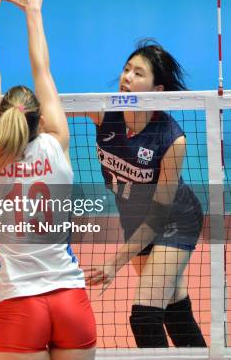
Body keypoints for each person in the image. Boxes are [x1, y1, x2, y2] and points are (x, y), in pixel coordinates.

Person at [0, 0, 96, 360]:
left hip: (20, 305)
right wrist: (33, 11)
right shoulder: (57, 143)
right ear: (41, 119)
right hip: (70, 298)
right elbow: (43, 69)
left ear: (0, 117)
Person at [83, 40, 206, 348]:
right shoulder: (103, 112)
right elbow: (52, 107)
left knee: (144, 316)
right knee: (173, 308)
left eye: (138, 73)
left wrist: (114, 263)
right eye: (126, 69)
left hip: (174, 219)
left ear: (157, 89)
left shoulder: (171, 139)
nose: (127, 77)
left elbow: (159, 214)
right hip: (134, 217)